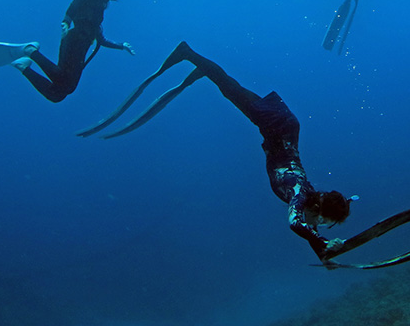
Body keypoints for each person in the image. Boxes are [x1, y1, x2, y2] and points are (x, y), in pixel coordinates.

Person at [81, 41, 352, 260]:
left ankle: (203, 68)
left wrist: (323, 252)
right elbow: (296, 224)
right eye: (322, 219)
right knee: (228, 88)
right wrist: (323, 242)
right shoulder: (299, 192)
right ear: (318, 206)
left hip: (285, 127)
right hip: (278, 127)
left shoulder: (307, 197)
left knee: (231, 87)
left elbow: (307, 226)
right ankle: (188, 53)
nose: (317, 223)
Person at [0, 0, 134, 102]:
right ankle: (30, 51)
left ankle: (24, 67)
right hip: (76, 39)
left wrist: (121, 46)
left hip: (80, 41)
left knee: (58, 94)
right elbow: (75, 3)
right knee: (65, 85)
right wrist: (67, 21)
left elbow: (101, 39)